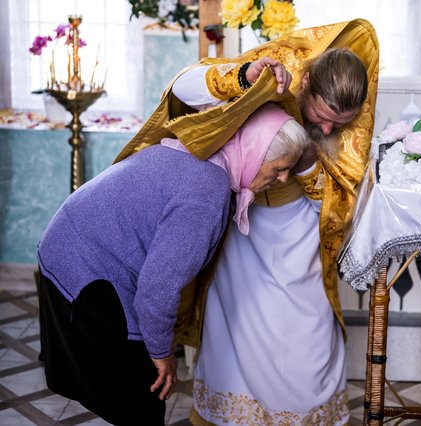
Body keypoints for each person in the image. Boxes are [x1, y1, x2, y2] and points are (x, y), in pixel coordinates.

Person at [112, 18, 379, 424]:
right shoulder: (274, 70)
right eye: (321, 117)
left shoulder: (342, 125)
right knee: (234, 333)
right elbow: (183, 87)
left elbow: (342, 198)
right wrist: (240, 78)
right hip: (241, 233)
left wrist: (308, 168)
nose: (326, 129)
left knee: (306, 342)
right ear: (304, 84)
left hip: (303, 239)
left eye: (336, 126)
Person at [36, 102, 308, 425]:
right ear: (252, 150)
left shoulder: (200, 154)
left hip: (65, 247)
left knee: (134, 397)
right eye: (278, 167)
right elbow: (156, 290)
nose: (283, 178)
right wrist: (161, 353)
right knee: (143, 402)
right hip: (83, 271)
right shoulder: (208, 190)